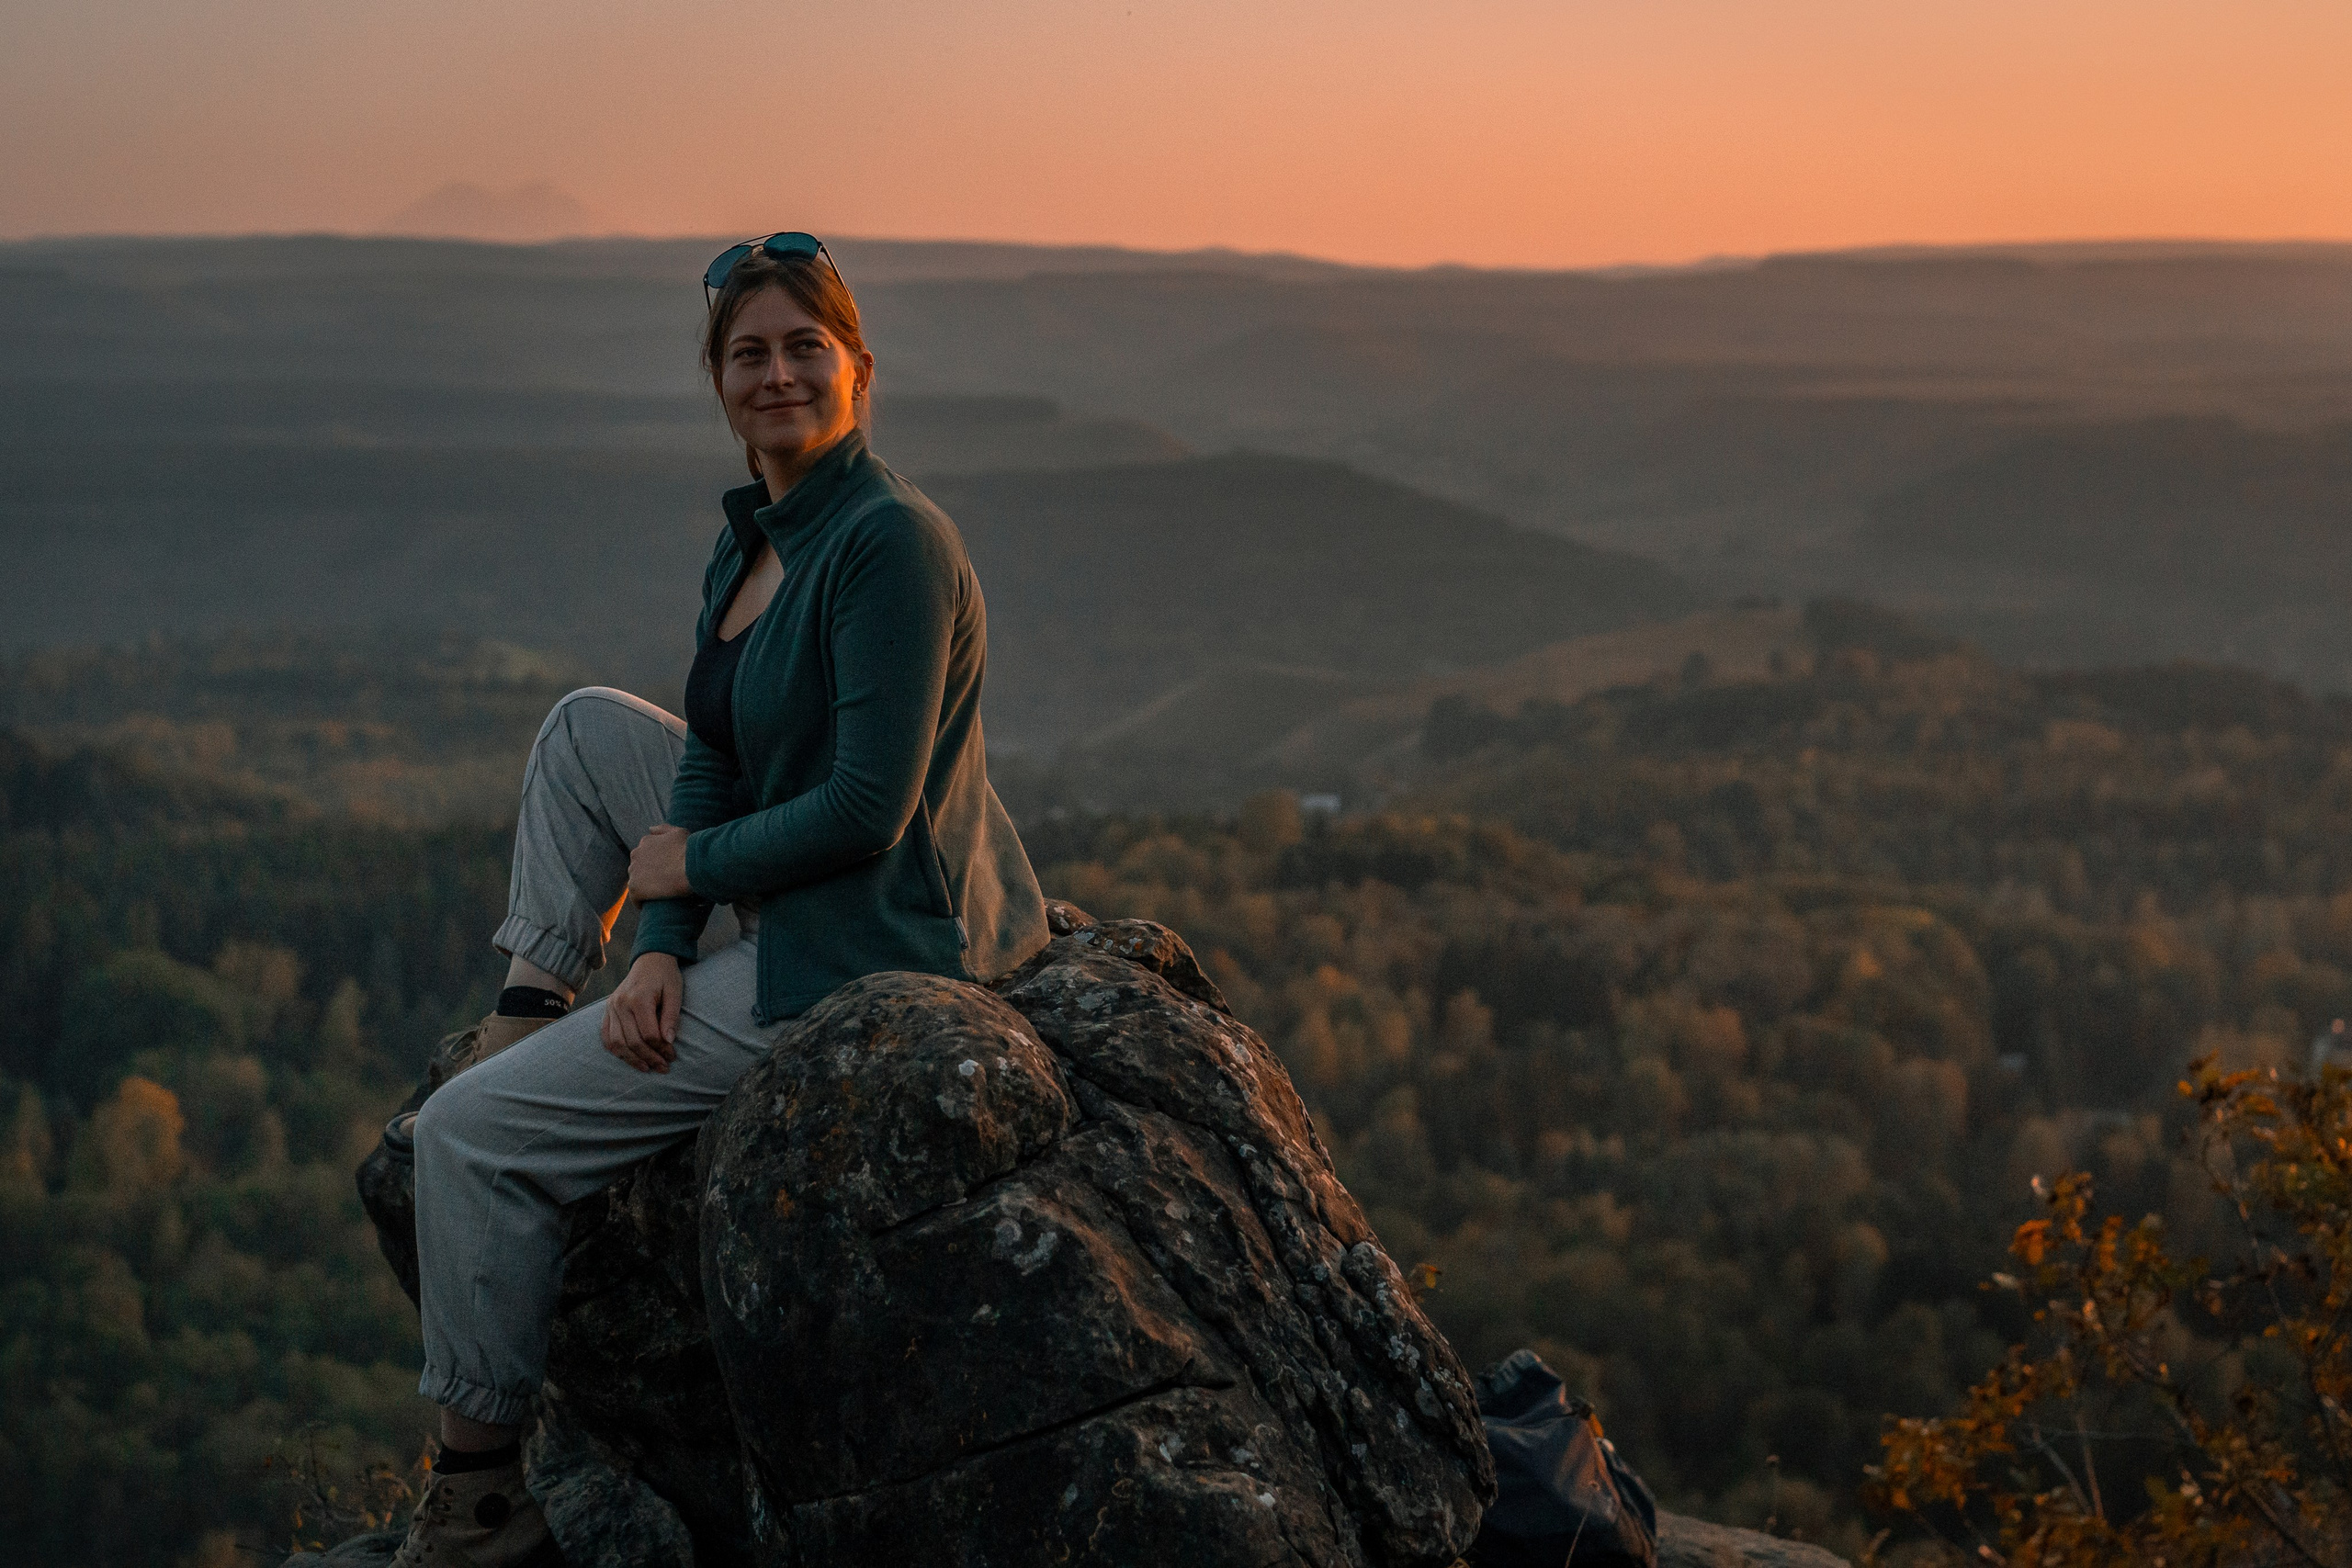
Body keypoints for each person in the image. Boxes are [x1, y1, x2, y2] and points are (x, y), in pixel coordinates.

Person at [385, 234, 1051, 1566]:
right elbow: (712, 757)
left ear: (861, 367)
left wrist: (688, 877)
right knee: (584, 729)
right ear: (718, 380)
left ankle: (482, 1497)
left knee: (466, 1143)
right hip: (782, 889)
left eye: (809, 345)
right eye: (749, 352)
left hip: (875, 937)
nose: (780, 373)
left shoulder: (890, 543)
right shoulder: (754, 541)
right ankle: (530, 1012)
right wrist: (659, 947)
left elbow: (871, 807)